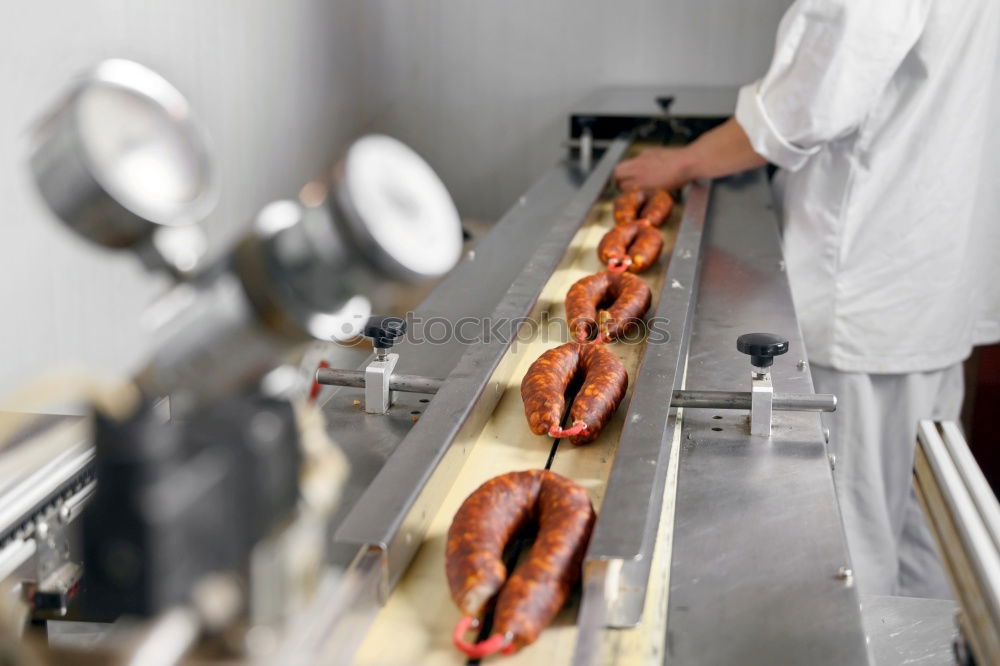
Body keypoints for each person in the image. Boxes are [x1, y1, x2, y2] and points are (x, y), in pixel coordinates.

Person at [616, 0, 1000, 597]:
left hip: (864, 288)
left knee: (854, 536)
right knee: (917, 519)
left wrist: (684, 161)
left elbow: (807, 103)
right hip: (928, 288)